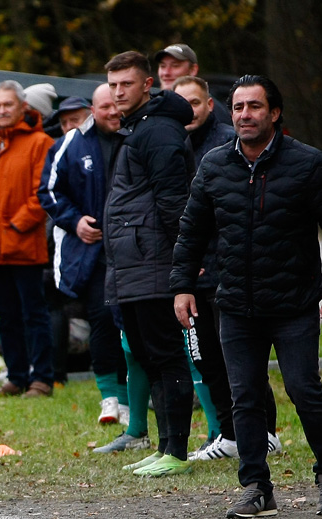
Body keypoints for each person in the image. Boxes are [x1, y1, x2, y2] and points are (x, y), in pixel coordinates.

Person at [172, 74, 322, 519]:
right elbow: (191, 230)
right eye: (237, 108)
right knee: (246, 397)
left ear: (274, 113)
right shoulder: (215, 165)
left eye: (254, 107)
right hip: (235, 304)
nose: (244, 115)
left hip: (294, 304)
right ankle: (256, 487)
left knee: (303, 388)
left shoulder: (308, 164)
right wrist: (181, 285)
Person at [171, 74, 283, 461]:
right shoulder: (170, 141)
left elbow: (233, 216)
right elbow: (189, 220)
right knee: (204, 357)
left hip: (228, 274)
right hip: (196, 274)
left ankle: (266, 431)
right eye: (180, 103)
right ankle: (229, 433)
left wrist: (211, 261)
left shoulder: (228, 144)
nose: (188, 111)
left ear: (208, 105)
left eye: (195, 103)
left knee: (240, 359)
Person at [103, 51, 195, 476]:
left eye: (126, 84)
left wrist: (183, 266)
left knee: (165, 355)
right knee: (145, 354)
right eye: (113, 84)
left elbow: (175, 202)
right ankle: (163, 446)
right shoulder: (137, 128)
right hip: (134, 265)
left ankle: (176, 451)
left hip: (156, 265)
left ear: (146, 85)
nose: (118, 92)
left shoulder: (156, 130)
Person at [39, 83, 130, 426]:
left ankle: (131, 399)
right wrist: (75, 222)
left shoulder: (136, 139)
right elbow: (48, 191)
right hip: (92, 254)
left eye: (116, 106)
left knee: (130, 324)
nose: (112, 112)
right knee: (102, 321)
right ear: (94, 109)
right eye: (104, 106)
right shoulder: (71, 145)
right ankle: (110, 399)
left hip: (133, 251)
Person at [0, 80, 55, 398]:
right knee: (6, 316)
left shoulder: (40, 143)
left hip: (25, 246)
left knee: (34, 313)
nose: (1, 111)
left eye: (8, 105)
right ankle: (16, 376)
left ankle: (42, 378)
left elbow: (42, 194)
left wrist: (16, 226)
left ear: (22, 107)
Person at [154, 44, 230, 124]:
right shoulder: (154, 104)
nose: (166, 73)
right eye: (162, 66)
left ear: (193, 70)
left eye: (175, 66)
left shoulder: (212, 111)